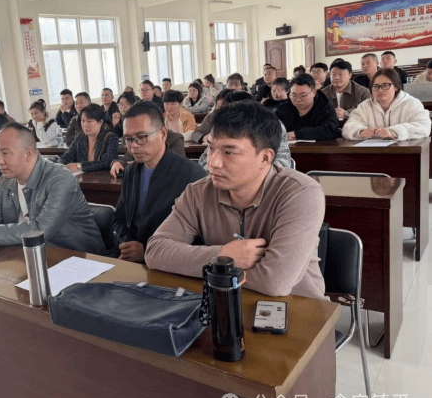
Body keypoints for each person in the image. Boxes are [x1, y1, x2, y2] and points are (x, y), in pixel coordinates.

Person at [145, 101, 326, 300]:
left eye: (229, 152)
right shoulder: (198, 192)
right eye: (211, 148)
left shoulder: (300, 193)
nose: (213, 162)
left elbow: (274, 282)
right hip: (222, 303)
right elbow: (155, 252)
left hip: (298, 309)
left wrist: (199, 264)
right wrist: (223, 255)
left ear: (265, 158)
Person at [0, 123, 105, 255]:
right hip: (33, 254)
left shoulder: (61, 179)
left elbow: (40, 230)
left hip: (79, 258)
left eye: (5, 153)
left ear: (28, 153)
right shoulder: (7, 180)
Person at [112, 103, 204, 263]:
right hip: (132, 258)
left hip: (170, 264)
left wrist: (148, 250)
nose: (133, 146)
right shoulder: (131, 172)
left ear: (163, 134)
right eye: (128, 139)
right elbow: (119, 218)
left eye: (141, 137)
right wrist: (129, 245)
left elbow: (199, 236)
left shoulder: (191, 175)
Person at [197, 93, 292, 172]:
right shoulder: (224, 126)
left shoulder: (270, 124)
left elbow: (282, 163)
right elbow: (204, 162)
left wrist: (247, 176)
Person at [343, 69, 431, 141]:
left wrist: (394, 132)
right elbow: (348, 127)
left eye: (385, 85)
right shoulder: (365, 106)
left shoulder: (412, 103)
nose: (380, 90)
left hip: (405, 151)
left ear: (396, 87)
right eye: (375, 86)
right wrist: (361, 132)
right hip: (373, 152)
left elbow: (424, 127)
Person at [276, 74, 339, 141]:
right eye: (294, 95)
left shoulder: (325, 108)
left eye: (303, 95)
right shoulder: (283, 109)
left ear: (314, 92)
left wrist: (297, 134)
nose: (298, 100)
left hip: (322, 147)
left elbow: (330, 130)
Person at [59, 103, 119, 173]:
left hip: (102, 178)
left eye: (89, 121)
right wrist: (59, 164)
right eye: (82, 121)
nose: (85, 125)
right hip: (82, 178)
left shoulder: (111, 138)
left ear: (100, 122)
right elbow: (67, 156)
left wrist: (80, 166)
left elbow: (107, 162)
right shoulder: (80, 137)